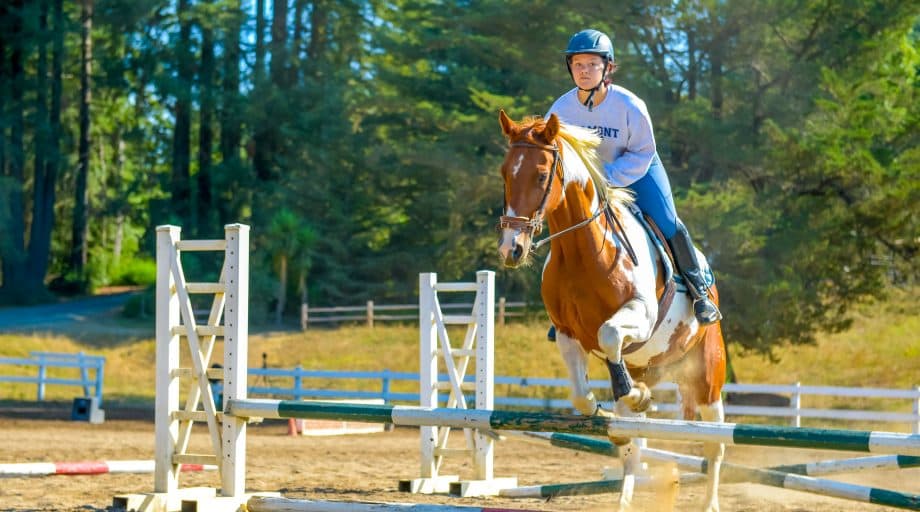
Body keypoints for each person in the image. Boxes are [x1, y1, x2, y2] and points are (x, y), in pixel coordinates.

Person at [546, 28, 722, 326]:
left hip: (636, 170)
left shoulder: (629, 105)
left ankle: (699, 292)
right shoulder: (560, 109)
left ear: (608, 67)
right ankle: (564, 310)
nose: (584, 71)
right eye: (578, 64)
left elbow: (642, 152)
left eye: (592, 64)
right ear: (570, 67)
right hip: (587, 182)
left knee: (667, 222)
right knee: (565, 228)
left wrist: (609, 177)